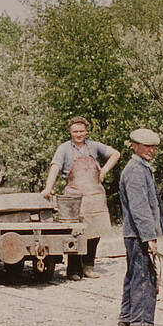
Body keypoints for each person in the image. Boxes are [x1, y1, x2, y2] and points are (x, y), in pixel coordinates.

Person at [41, 116, 120, 280]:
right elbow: (55, 167)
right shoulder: (63, 149)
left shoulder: (94, 146)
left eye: (81, 131)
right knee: (76, 233)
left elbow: (115, 154)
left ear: (86, 131)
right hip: (75, 197)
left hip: (95, 196)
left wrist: (104, 171)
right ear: (70, 132)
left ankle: (89, 267)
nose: (79, 134)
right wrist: (48, 187)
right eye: (75, 131)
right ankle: (74, 269)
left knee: (95, 233)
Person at [118, 128, 163, 326]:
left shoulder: (141, 168)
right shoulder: (135, 170)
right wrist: (150, 237)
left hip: (135, 233)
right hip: (139, 233)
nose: (151, 150)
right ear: (135, 146)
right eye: (147, 146)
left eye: (154, 147)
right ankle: (141, 323)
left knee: (134, 275)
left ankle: (126, 319)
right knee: (143, 276)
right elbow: (140, 208)